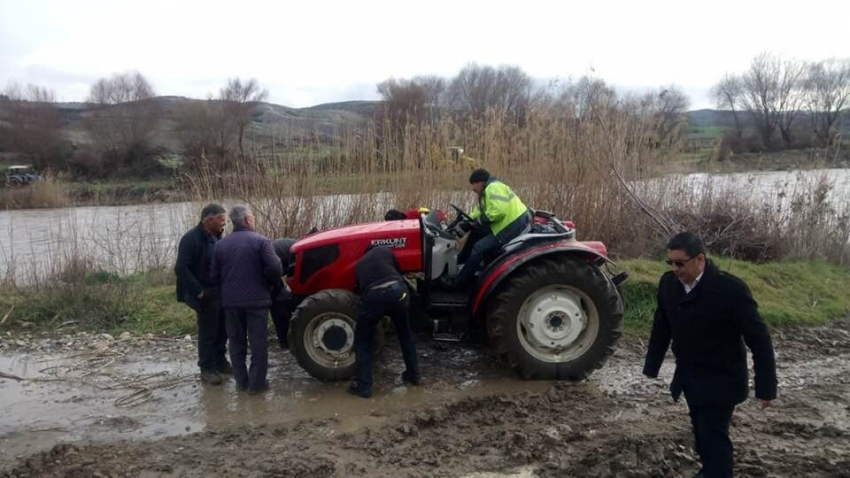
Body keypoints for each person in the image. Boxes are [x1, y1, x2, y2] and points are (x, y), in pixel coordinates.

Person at [643, 232, 777, 478]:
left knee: (714, 436)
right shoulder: (668, 285)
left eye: (680, 263)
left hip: (722, 379)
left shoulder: (730, 290)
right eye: (670, 262)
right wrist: (652, 366)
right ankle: (710, 470)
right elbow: (661, 326)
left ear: (700, 260)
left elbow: (759, 339)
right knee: (700, 431)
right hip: (689, 377)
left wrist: (766, 387)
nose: (674, 268)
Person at [210, 205, 282, 394]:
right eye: (253, 218)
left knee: (236, 343)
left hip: (231, 303)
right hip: (257, 301)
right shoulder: (261, 241)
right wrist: (270, 284)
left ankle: (242, 383)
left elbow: (214, 276)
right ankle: (257, 385)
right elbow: (275, 268)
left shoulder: (220, 245)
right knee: (258, 344)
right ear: (248, 220)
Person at [348, 246, 421, 398]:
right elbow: (399, 271)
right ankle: (414, 377)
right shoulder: (385, 251)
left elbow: (360, 291)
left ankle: (364, 387)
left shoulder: (359, 264)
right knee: (405, 335)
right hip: (398, 292)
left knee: (362, 341)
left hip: (374, 296)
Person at [175, 203, 231, 385]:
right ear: (209, 220)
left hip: (221, 291)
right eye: (221, 219)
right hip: (204, 292)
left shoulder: (218, 236)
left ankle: (220, 361)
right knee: (208, 331)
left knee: (223, 329)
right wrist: (198, 291)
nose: (225, 223)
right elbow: (181, 268)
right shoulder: (191, 238)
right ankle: (206, 368)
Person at [455, 169, 529, 288]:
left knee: (479, 247)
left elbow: (497, 211)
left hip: (513, 225)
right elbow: (479, 211)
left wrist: (479, 221)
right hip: (506, 223)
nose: (473, 188)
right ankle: (461, 263)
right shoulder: (486, 192)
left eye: (473, 184)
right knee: (476, 232)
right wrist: (468, 221)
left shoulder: (493, 187)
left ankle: (460, 282)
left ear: (480, 182)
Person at [270, 238, 298, 350]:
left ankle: (285, 341)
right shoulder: (301, 249)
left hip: (277, 267)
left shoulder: (296, 247)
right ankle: (286, 342)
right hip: (274, 269)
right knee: (279, 303)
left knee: (279, 302)